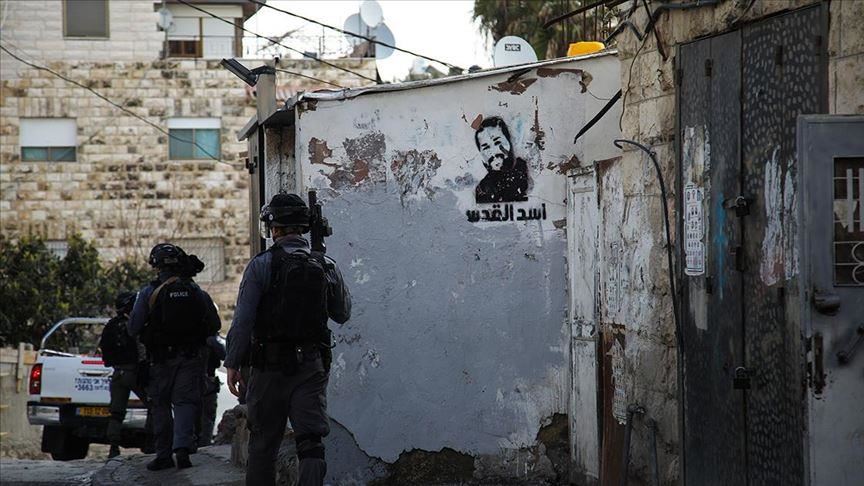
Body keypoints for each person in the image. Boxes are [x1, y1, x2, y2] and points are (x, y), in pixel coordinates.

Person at [225, 193, 351, 486]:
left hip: (269, 369)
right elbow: (342, 313)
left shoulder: (261, 265)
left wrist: (233, 362)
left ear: (274, 228)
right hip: (311, 365)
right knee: (311, 443)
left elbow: (243, 320)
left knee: (263, 444)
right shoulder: (325, 264)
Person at [128, 243, 221, 471]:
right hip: (190, 358)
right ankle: (182, 450)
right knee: (185, 403)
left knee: (160, 405)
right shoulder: (195, 290)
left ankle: (163, 455)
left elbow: (133, 327)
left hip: (160, 359)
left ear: (156, 265)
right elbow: (214, 325)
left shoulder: (148, 293)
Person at [98, 291, 148, 459]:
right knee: (155, 406)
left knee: (116, 412)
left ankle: (113, 447)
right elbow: (142, 349)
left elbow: (104, 350)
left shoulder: (111, 325)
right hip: (133, 372)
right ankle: (152, 442)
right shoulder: (133, 325)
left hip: (117, 374)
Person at [474, 116, 530, 203]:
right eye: (486, 147)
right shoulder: (483, 188)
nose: (493, 152)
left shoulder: (524, 170)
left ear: (509, 141)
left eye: (497, 143)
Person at [196, 334, 225, 448]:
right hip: (207, 381)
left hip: (196, 381)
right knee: (207, 416)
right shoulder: (210, 339)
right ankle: (203, 444)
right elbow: (223, 354)